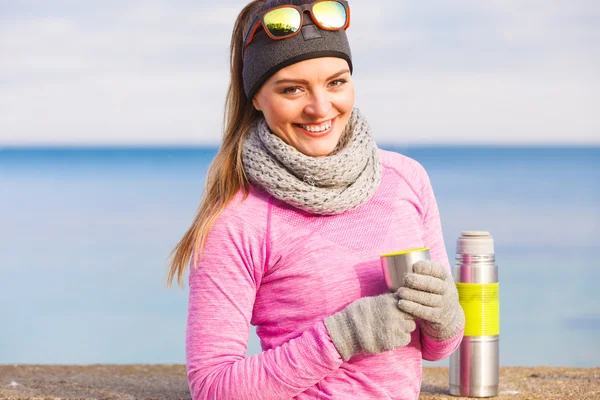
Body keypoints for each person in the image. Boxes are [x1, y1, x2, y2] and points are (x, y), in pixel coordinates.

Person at [166, 0, 465, 398]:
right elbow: (212, 388)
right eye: (292, 89)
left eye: (336, 82)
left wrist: (445, 316)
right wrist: (342, 336)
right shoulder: (237, 221)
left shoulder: (406, 178)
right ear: (256, 97)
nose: (321, 108)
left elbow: (437, 348)